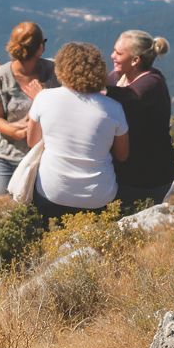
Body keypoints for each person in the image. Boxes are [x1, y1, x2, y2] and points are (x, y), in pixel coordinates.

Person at [26, 42, 129, 222]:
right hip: (98, 196)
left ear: (61, 68)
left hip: (52, 192)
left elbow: (32, 141)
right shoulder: (113, 108)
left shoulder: (43, 98)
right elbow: (122, 155)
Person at [0, 22, 58, 196]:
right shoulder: (0, 76)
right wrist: (19, 133)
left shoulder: (54, 70)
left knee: (5, 214)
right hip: (9, 158)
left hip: (40, 158)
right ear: (41, 47)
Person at [106, 30, 174, 208]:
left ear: (135, 60)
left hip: (148, 177)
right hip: (127, 172)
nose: (112, 56)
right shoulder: (118, 77)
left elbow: (127, 97)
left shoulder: (151, 84)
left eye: (119, 53)